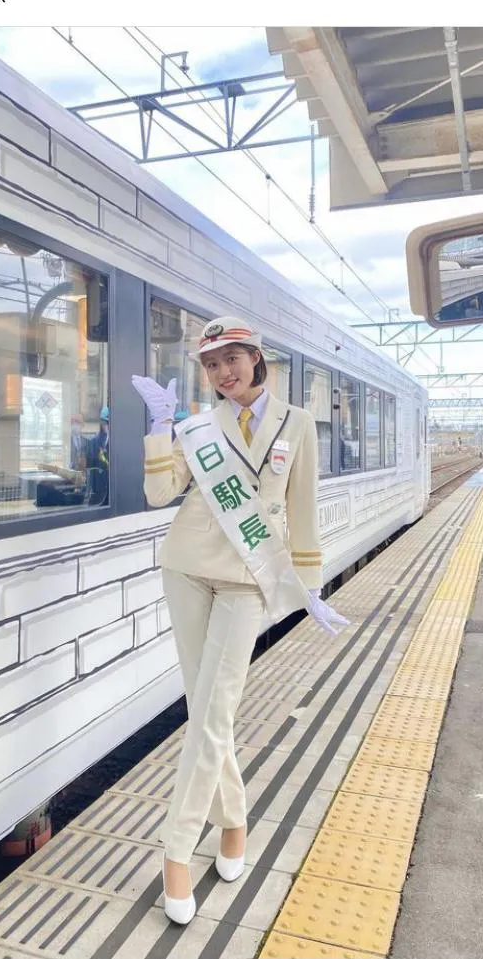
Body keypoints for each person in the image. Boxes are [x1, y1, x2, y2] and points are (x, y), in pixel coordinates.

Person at [131, 315, 349, 926]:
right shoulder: (200, 426)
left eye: (234, 358)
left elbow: (301, 511)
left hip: (249, 578)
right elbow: (159, 494)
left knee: (215, 708)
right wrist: (160, 429)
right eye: (212, 363)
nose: (225, 371)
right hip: (186, 567)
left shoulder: (297, 424)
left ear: (257, 359)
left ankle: (175, 850)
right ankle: (235, 820)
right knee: (205, 710)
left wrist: (310, 586)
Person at [84, 406, 110, 505]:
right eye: (105, 423)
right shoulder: (94, 441)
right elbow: (91, 466)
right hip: (99, 489)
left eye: (108, 423)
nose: (107, 425)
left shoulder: (119, 440)